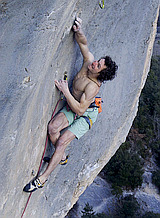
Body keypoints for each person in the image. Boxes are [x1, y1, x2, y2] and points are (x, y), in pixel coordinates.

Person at [23, 17, 118, 192]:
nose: (95, 63)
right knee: (52, 128)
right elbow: (83, 43)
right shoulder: (88, 62)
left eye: (99, 65)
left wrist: (66, 91)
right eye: (99, 61)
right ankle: (62, 157)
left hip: (86, 114)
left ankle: (42, 179)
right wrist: (79, 30)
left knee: (61, 143)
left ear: (100, 74)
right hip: (74, 105)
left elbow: (81, 110)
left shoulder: (92, 88)